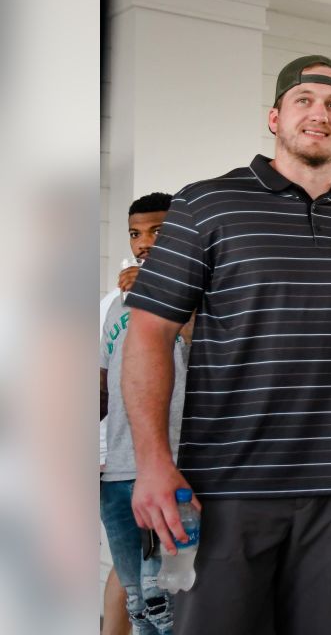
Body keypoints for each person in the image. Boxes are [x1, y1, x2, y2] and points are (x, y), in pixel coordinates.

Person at [123, 55, 331, 634]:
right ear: (274, 118)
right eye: (304, 101)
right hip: (227, 491)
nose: (319, 114)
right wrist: (152, 461)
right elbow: (151, 331)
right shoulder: (206, 204)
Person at [100, 192, 188, 635]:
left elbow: (209, 357)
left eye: (157, 230)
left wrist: (164, 291)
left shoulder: (200, 298)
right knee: (138, 605)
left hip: (171, 469)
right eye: (136, 233)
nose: (144, 243)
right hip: (116, 472)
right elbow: (100, 389)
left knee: (168, 603)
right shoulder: (116, 305)